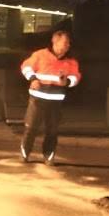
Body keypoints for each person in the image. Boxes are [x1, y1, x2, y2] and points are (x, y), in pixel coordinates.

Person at [19, 29, 82, 164]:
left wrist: (68, 82)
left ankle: (48, 156)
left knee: (52, 131)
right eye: (65, 43)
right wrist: (33, 79)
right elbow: (26, 66)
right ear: (55, 41)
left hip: (55, 101)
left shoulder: (71, 62)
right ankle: (25, 153)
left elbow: (76, 76)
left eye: (68, 44)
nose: (67, 46)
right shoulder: (40, 55)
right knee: (31, 127)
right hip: (37, 99)